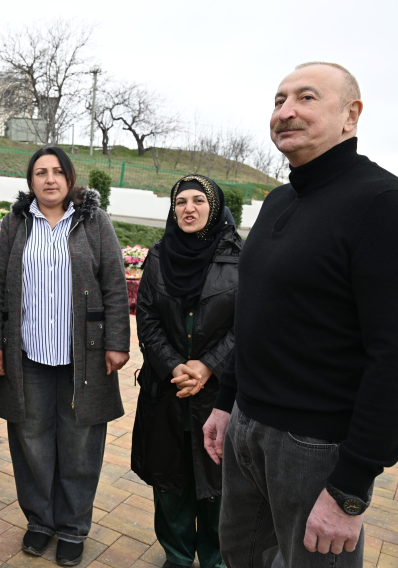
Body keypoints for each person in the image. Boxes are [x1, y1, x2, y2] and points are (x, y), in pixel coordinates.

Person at [203, 62, 398, 566]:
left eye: (306, 98)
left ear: (351, 115)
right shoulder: (280, 200)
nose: (286, 112)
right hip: (246, 429)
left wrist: (350, 489)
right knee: (241, 557)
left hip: (314, 448)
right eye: (279, 100)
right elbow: (256, 316)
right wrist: (226, 402)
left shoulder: (383, 203)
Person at [0, 146, 129, 566]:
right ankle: (40, 521)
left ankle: (73, 527)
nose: (49, 180)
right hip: (26, 352)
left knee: (80, 442)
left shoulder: (93, 221)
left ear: (69, 178)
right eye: (40, 173)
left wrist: (117, 342)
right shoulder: (16, 222)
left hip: (83, 356)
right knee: (30, 440)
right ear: (31, 181)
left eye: (56, 172)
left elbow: (115, 283)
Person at [131, 174, 241, 568]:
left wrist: (208, 366)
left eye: (198, 200)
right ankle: (177, 556)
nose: (188, 209)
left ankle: (216, 560)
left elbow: (246, 324)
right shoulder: (160, 254)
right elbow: (145, 314)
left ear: (215, 207)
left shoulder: (238, 257)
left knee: (216, 484)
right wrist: (175, 365)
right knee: (170, 482)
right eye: (180, 201)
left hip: (217, 396)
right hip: (168, 389)